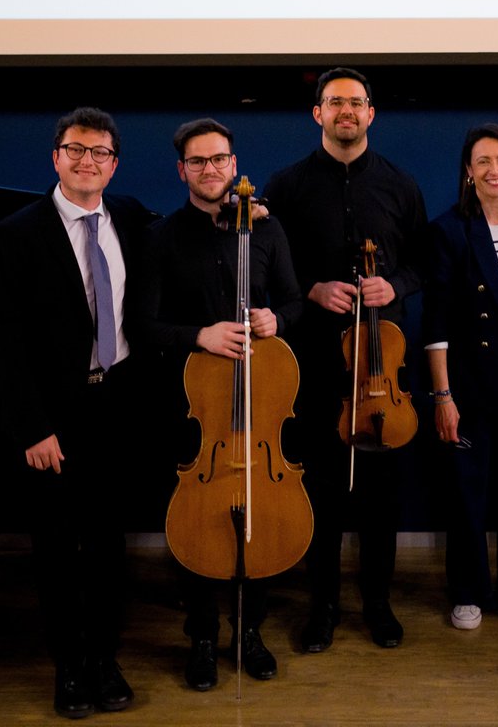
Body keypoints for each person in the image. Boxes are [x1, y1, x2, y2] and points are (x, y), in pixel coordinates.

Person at [0, 107, 152, 718]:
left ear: (114, 163)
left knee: (109, 545)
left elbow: (194, 233)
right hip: (55, 414)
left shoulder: (130, 217)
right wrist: (33, 426)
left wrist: (251, 217)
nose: (88, 161)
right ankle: (69, 669)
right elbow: (5, 337)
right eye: (76, 150)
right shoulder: (17, 232)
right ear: (56, 157)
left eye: (100, 152)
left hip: (116, 404)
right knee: (57, 547)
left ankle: (105, 660)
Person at [131, 118, 303, 690]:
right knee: (200, 523)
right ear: (183, 170)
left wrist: (277, 319)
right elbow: (143, 324)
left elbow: (296, 301)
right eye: (199, 161)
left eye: (220, 159)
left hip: (258, 406)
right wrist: (199, 336)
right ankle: (202, 634)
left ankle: (249, 631)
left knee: (258, 520)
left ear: (235, 164)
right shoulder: (161, 237)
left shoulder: (266, 230)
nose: (212, 170)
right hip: (195, 404)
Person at [262, 68, 428, 651]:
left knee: (381, 497)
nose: (346, 112)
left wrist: (396, 287)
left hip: (382, 373)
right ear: (318, 114)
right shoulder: (285, 186)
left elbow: (420, 264)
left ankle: (377, 604)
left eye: (356, 103)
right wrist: (311, 289)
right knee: (323, 493)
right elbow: (267, 269)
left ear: (371, 113)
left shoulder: (401, 186)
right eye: (335, 103)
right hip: (314, 368)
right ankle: (323, 606)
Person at [423, 124, 498, 631]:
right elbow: (437, 321)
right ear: (469, 174)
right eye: (483, 162)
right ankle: (469, 590)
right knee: (467, 492)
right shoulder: (450, 229)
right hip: (471, 377)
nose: (495, 170)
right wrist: (443, 395)